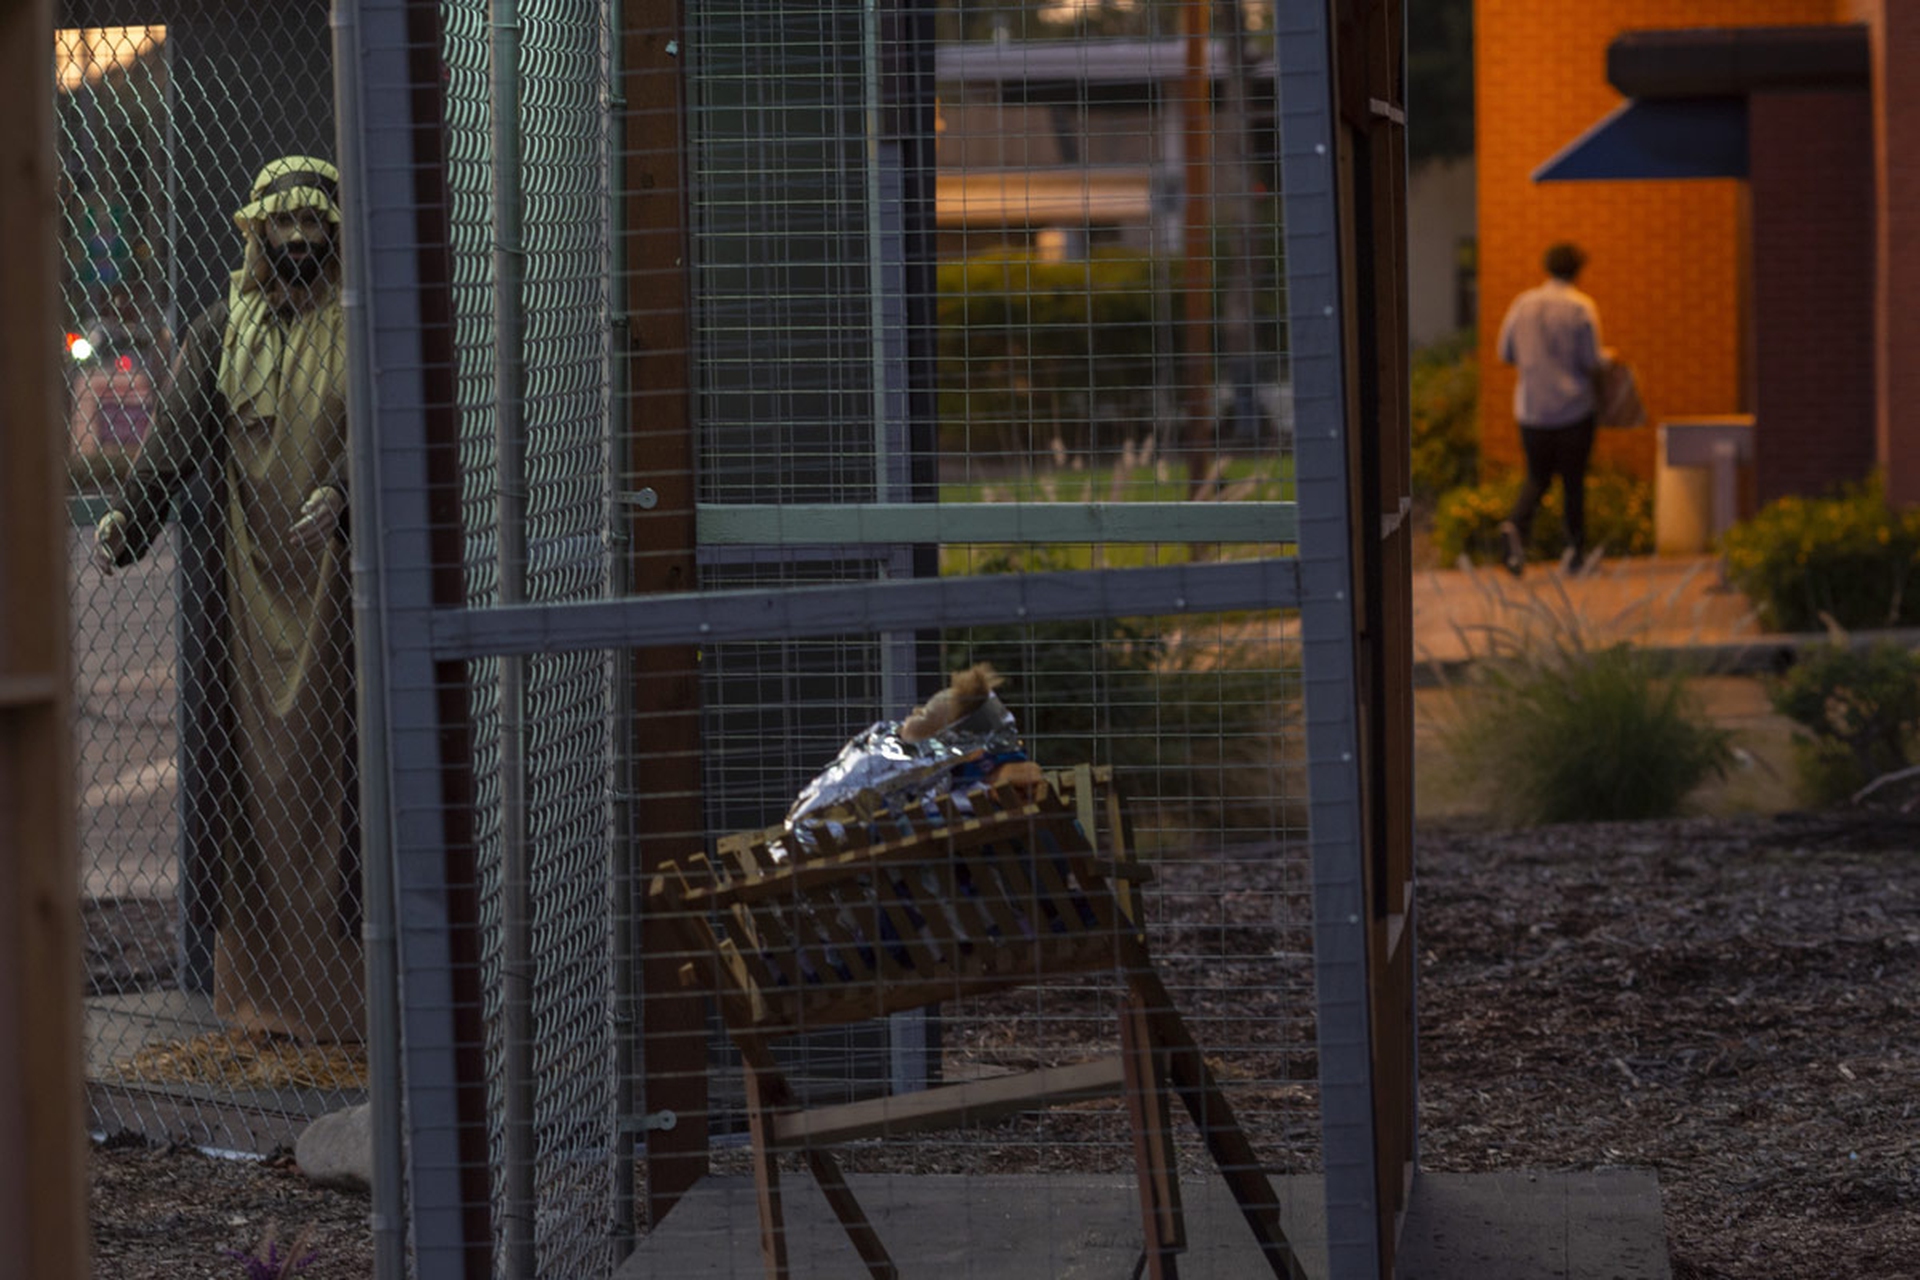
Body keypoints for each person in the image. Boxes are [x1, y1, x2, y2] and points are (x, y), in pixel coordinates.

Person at [92, 156, 361, 1044]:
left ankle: (355, 1000)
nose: (295, 250)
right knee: (250, 785)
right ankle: (268, 1000)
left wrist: (347, 493)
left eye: (311, 236)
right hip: (249, 596)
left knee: (349, 771)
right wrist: (130, 519)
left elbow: (394, 422)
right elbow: (173, 436)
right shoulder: (221, 330)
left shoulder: (359, 325)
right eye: (279, 235)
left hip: (341, 595)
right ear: (254, 237)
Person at [1495, 241, 1606, 576]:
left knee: (1537, 476)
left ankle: (1516, 528)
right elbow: (1592, 360)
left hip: (1531, 409)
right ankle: (1574, 553)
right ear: (1578, 269)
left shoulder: (1522, 304)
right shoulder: (1580, 306)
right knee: (1573, 482)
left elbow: (1504, 352)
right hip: (1574, 409)